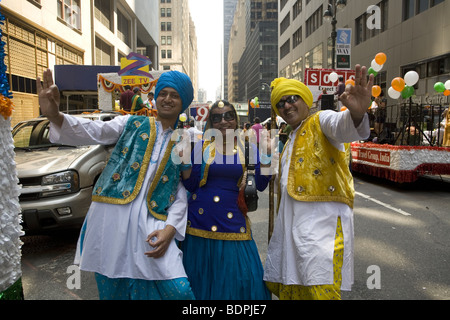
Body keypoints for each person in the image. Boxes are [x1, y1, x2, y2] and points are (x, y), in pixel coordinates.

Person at [37, 69, 195, 300]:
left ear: (183, 103)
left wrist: (170, 230)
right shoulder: (131, 123)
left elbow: (180, 190)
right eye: (163, 93)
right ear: (156, 96)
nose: (168, 99)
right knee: (114, 289)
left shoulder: (183, 141)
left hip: (152, 222)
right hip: (112, 219)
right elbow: (93, 130)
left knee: (180, 292)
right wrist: (55, 116)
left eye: (175, 95)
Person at [264, 64, 374, 300]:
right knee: (294, 288)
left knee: (319, 291)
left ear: (305, 100)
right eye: (280, 103)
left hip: (322, 230)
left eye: (292, 98)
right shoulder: (290, 137)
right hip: (292, 229)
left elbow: (342, 127)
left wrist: (356, 114)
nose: (286, 105)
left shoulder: (321, 120)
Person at [179, 100, 272, 300]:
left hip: (234, 223)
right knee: (199, 282)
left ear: (236, 119)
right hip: (198, 224)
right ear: (211, 122)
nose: (224, 121)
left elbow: (262, 184)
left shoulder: (248, 148)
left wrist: (268, 154)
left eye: (229, 116)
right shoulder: (200, 147)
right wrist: (185, 162)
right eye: (217, 117)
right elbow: (191, 184)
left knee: (245, 279)